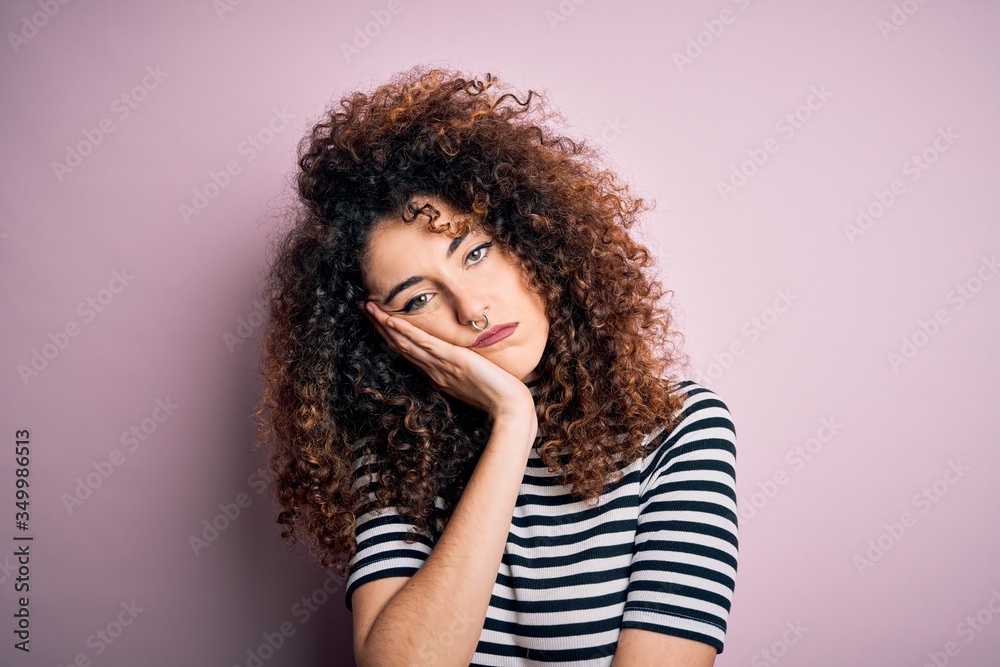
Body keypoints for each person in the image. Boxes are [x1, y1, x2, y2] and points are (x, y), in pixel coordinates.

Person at [253, 65, 738, 666]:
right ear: (385, 332)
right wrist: (513, 424)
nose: (472, 310)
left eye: (476, 253)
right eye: (419, 299)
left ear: (532, 239)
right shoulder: (393, 455)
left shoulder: (679, 426)